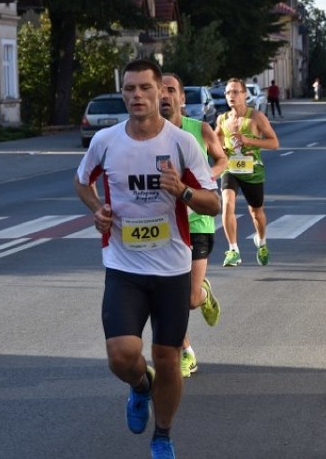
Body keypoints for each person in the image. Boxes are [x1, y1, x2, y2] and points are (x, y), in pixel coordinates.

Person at [74, 59, 220, 459]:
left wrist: (183, 193)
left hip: (172, 267)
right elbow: (81, 180)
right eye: (129, 89)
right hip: (124, 266)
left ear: (161, 93)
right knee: (121, 355)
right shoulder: (105, 141)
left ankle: (163, 434)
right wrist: (97, 209)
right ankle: (141, 387)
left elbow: (213, 203)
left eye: (144, 88)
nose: (136, 96)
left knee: (167, 358)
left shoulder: (181, 143)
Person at [160, 72, 227, 379]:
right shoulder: (147, 134)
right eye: (158, 90)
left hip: (197, 220)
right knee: (164, 297)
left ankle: (203, 292)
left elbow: (222, 159)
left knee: (188, 298)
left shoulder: (198, 129)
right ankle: (186, 351)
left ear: (182, 98)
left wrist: (206, 178)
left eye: (170, 90)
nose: (163, 95)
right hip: (163, 224)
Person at [214, 77, 280, 267]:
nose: (231, 96)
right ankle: (233, 249)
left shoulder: (256, 117)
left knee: (256, 212)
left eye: (235, 92)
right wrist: (221, 150)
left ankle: (262, 242)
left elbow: (274, 143)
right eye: (228, 92)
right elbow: (215, 138)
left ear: (244, 94)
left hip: (252, 172)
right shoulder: (223, 119)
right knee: (227, 204)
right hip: (231, 169)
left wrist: (250, 141)